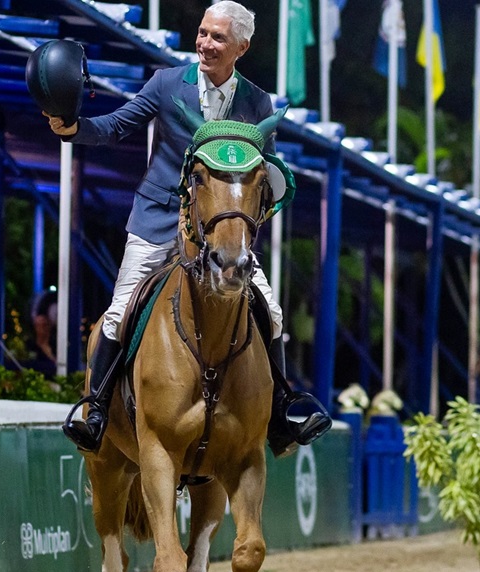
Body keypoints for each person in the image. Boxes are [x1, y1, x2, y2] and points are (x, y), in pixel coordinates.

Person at [46, 0, 330, 456]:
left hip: (222, 233)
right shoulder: (165, 82)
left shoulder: (257, 103)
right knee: (119, 313)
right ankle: (96, 410)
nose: (205, 44)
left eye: (218, 37)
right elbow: (119, 124)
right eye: (202, 33)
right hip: (158, 220)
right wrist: (73, 128)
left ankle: (281, 410)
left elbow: (263, 177)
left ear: (242, 46)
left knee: (272, 312)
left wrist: (245, 227)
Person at [25, 290, 58, 378]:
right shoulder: (29, 346)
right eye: (40, 325)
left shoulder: (56, 346)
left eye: (46, 325)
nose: (43, 328)